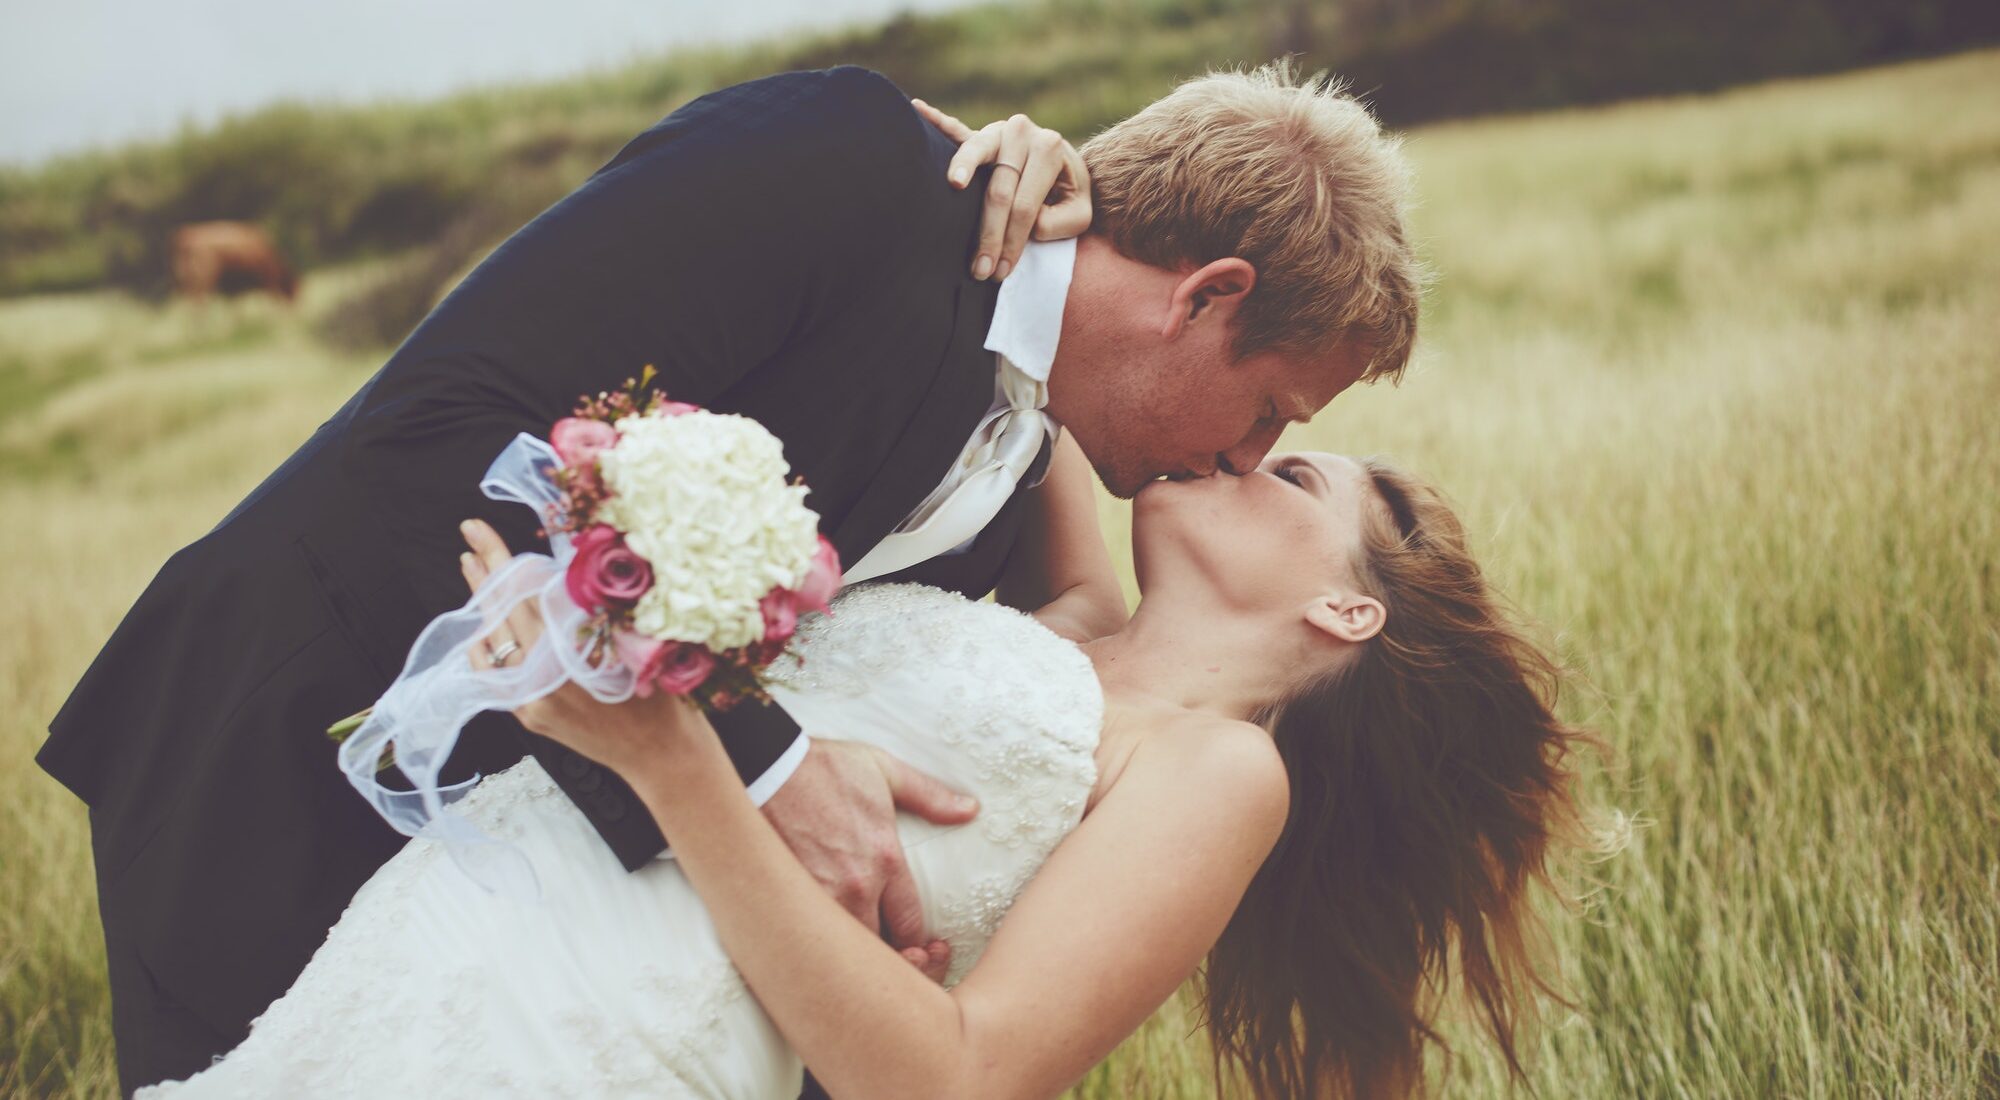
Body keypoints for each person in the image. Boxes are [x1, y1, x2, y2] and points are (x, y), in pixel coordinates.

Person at [41, 60, 1420, 1094]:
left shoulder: (1019, 494)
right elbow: (448, 437)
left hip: (562, 946)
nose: (1244, 455)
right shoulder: (852, 172)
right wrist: (762, 762)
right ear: (1207, 297)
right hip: (293, 751)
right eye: (1273, 413)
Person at [138, 451, 1595, 1098]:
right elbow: (1042, 369)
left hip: (611, 1052)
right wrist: (1028, 154)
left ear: (1347, 609)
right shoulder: (1075, 626)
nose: (1246, 451)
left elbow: (957, 1084)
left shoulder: (1219, 772)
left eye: (1296, 478)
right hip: (446, 942)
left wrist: (675, 760)